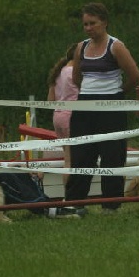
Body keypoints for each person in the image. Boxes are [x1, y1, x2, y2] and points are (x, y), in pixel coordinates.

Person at [65, 2, 139, 213]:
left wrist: (117, 93)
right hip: (85, 106)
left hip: (111, 107)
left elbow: (135, 76)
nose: (88, 28)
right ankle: (74, 204)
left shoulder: (116, 46)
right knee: (81, 156)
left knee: (112, 156)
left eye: (93, 23)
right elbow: (76, 77)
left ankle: (111, 205)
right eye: (85, 24)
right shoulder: (81, 47)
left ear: (105, 22)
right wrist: (89, 93)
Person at [0, 118, 79, 219]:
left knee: (17, 170)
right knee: (4, 177)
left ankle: (50, 206)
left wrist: (25, 168)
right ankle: (48, 209)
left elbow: (1, 165)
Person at [47, 43, 79, 184]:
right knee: (71, 162)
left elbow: (50, 100)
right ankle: (70, 193)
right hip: (71, 117)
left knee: (68, 159)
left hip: (58, 116)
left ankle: (69, 191)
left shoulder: (59, 72)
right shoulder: (75, 73)